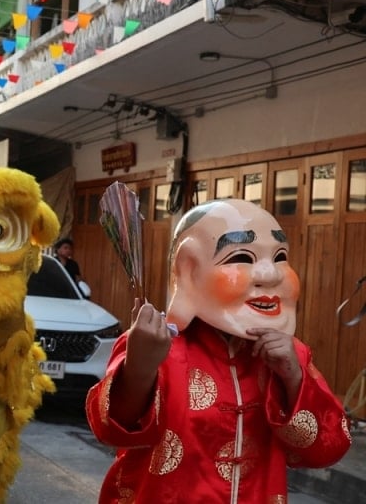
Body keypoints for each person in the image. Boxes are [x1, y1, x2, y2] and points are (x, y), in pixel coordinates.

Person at [85, 199, 352, 503]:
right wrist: (139, 369)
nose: (270, 274)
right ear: (189, 268)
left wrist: (292, 375)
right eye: (242, 256)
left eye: (279, 257)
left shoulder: (290, 355)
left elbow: (330, 446)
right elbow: (110, 429)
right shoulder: (155, 343)